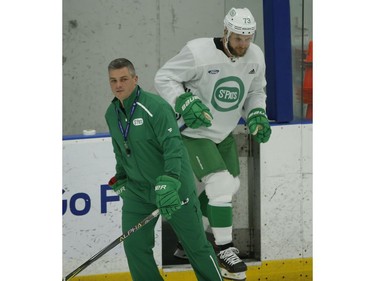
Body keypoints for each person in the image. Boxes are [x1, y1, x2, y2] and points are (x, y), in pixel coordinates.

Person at [154, 7, 271, 281]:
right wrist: (183, 101)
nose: (243, 44)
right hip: (194, 133)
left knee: (229, 187)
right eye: (238, 38)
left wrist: (256, 112)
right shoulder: (198, 52)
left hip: (223, 134)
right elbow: (164, 77)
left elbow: (256, 91)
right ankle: (224, 248)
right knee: (219, 185)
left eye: (248, 38)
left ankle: (187, 238)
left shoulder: (255, 56)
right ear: (226, 32)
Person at [105, 58, 223, 281]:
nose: (118, 85)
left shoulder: (156, 107)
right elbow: (120, 150)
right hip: (138, 193)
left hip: (174, 188)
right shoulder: (112, 115)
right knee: (135, 247)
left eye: (123, 79)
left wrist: (169, 180)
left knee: (195, 247)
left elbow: (174, 147)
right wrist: (121, 178)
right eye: (113, 81)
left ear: (135, 79)